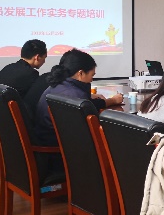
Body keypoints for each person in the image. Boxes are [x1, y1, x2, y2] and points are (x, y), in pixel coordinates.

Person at [32, 49, 123, 181]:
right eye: (92, 75)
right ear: (80, 73)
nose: (92, 79)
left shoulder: (56, 86)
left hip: (47, 147)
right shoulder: (77, 97)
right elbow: (88, 132)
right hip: (61, 154)